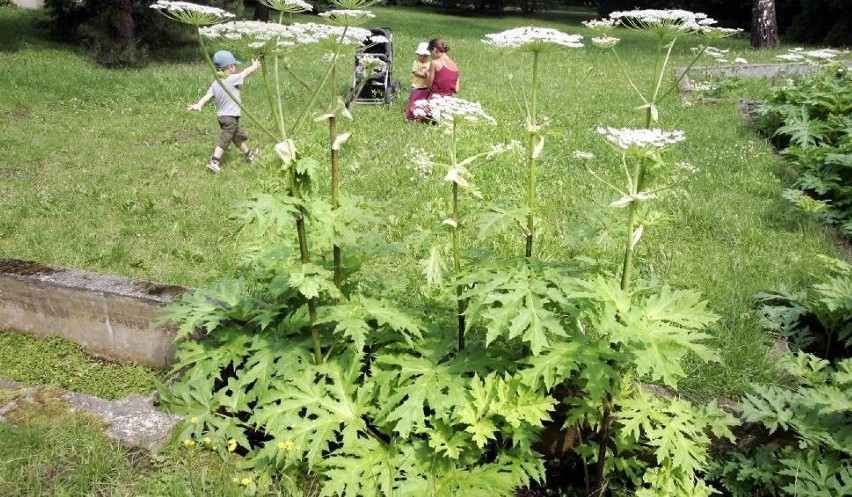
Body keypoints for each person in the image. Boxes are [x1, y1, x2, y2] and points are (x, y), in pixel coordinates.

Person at [187, 50, 261, 174]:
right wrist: (254, 67)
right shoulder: (232, 79)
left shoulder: (216, 83)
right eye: (234, 65)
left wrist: (199, 104)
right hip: (230, 118)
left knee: (237, 138)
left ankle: (249, 155)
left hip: (222, 117)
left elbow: (208, 96)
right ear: (230, 67)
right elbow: (244, 73)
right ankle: (215, 161)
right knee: (225, 139)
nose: (236, 68)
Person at [406, 42, 431, 121]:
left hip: (425, 87)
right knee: (413, 99)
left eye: (425, 56)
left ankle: (421, 114)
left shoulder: (430, 64)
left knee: (423, 101)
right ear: (418, 55)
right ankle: (410, 111)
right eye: (421, 56)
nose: (423, 58)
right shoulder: (416, 63)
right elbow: (415, 72)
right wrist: (424, 74)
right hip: (416, 86)